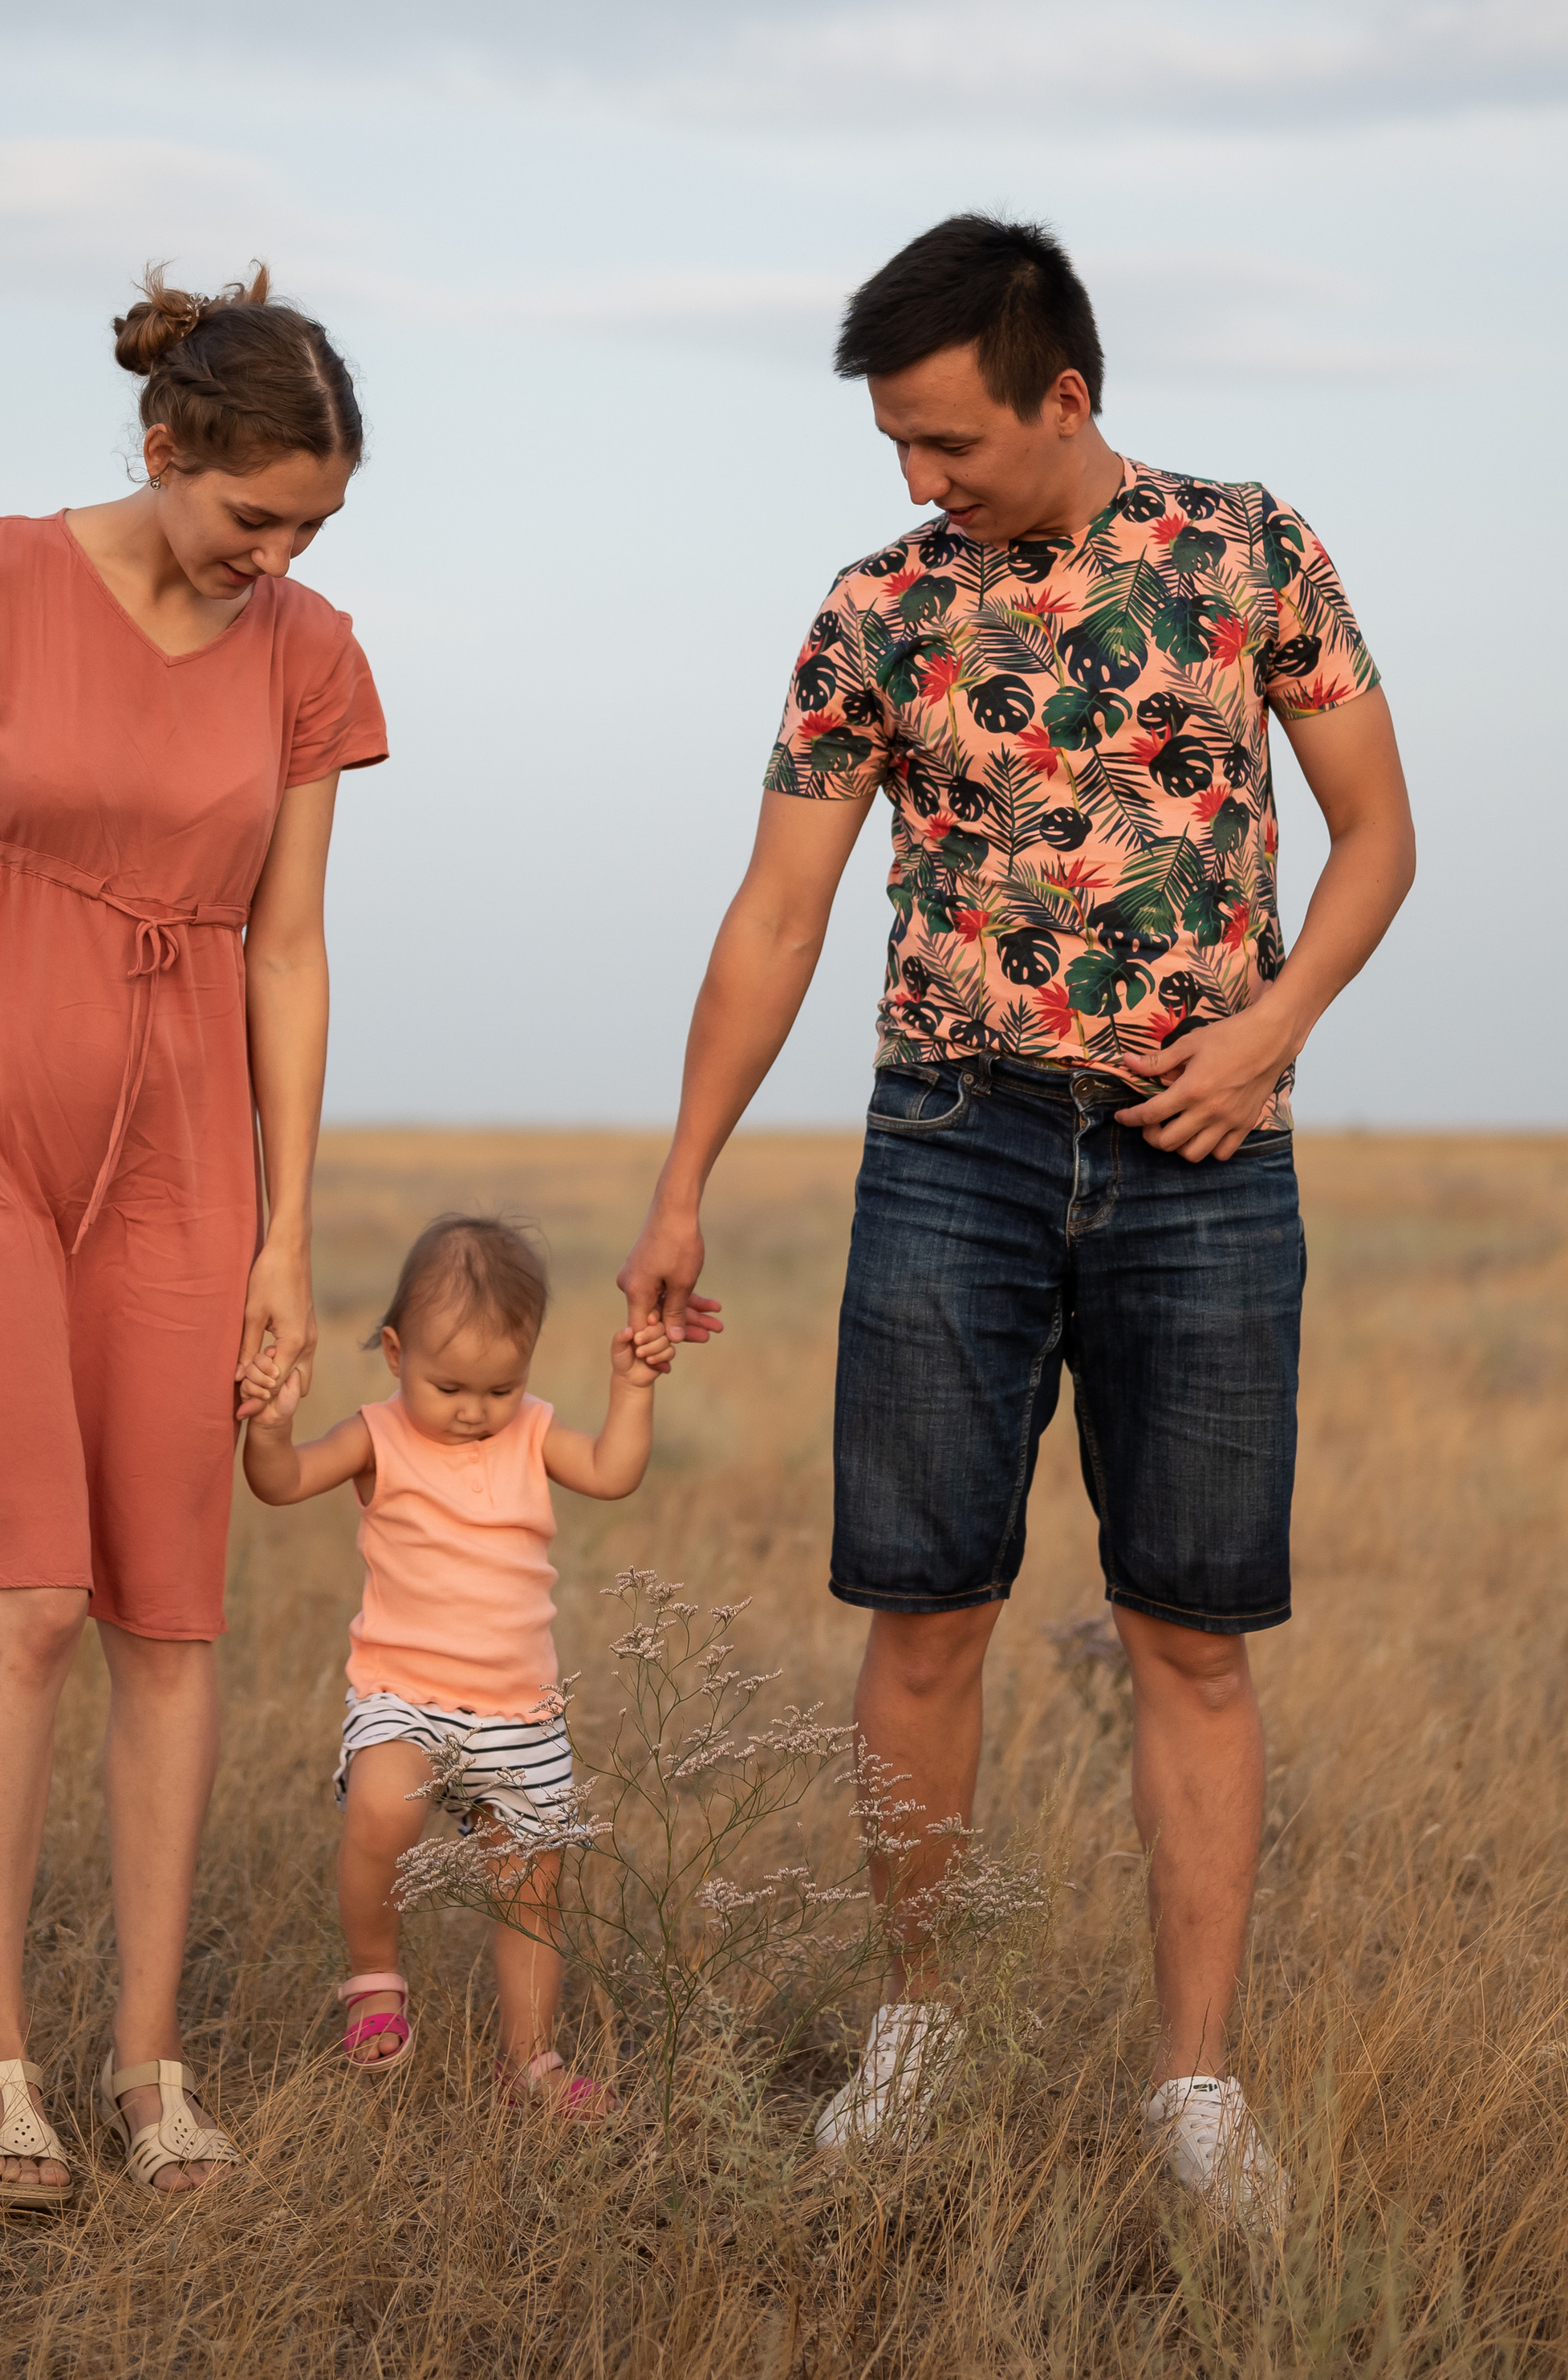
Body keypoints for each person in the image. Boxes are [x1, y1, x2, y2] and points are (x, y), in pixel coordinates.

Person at [618, 215, 1414, 2222]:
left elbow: (1375, 832)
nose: (916, 482)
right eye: (892, 443)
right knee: (919, 1611)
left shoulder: (1249, 550)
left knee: (1190, 1633)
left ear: (1063, 394)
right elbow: (777, 910)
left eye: (945, 441)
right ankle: (915, 2027)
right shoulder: (872, 606)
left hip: (1203, 1159)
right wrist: (680, 1181)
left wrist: (1268, 1034)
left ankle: (1193, 2087)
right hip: (947, 1142)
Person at [0, 262, 386, 2203]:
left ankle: (145, 2064)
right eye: (254, 514)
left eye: (312, 522)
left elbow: (294, 948)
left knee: (172, 1607)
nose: (278, 553)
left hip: (185, 1157)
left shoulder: (310, 650)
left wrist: (284, 1235)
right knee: (35, 1595)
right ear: (162, 449)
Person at [241, 1213, 674, 2105]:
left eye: (499, 1387)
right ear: (395, 1353)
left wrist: (630, 1389)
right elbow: (278, 1485)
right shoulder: (377, 1435)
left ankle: (531, 2062)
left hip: (519, 1709)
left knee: (531, 1891)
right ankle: (373, 1983)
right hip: (404, 1694)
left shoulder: (533, 1432)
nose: (474, 1411)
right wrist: (272, 1428)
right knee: (381, 1810)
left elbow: (610, 1471)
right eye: (449, 1386)